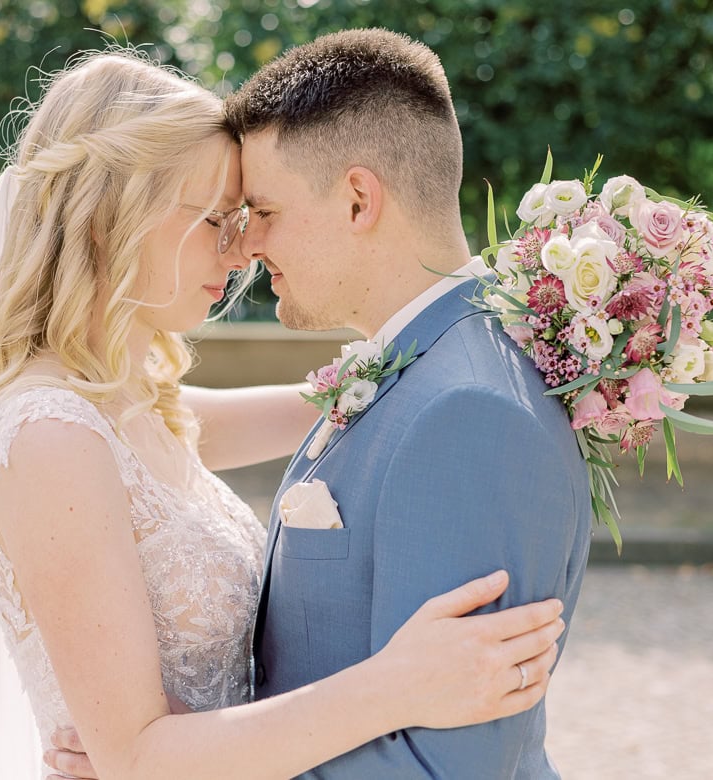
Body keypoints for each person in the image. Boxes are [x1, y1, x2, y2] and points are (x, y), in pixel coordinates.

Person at [0, 50, 566, 779]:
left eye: (249, 216)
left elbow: (341, 400)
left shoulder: (134, 404)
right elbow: (138, 759)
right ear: (113, 217)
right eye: (217, 220)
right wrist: (398, 686)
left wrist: (502, 341)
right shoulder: (49, 439)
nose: (241, 252)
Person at [217, 29, 592, 777]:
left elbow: (448, 764)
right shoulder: (421, 365)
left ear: (359, 199)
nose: (247, 244)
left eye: (264, 210)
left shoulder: (471, 411)